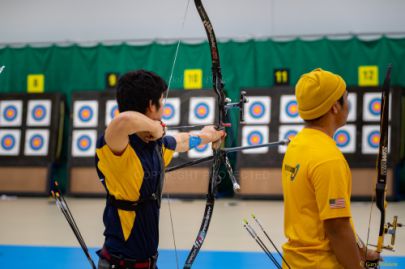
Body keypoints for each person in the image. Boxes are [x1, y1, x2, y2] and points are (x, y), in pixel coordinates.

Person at [95, 69, 224, 269]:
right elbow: (122, 121)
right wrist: (155, 127)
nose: (163, 107)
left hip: (146, 263)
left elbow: (181, 141)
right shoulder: (116, 148)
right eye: (161, 101)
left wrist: (207, 135)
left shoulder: (155, 145)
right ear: (150, 105)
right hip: (120, 263)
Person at [281, 68, 380, 269]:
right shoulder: (328, 159)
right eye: (346, 98)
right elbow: (337, 228)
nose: (349, 105)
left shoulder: (297, 144)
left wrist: (362, 251)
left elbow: (332, 218)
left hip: (295, 263)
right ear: (335, 107)